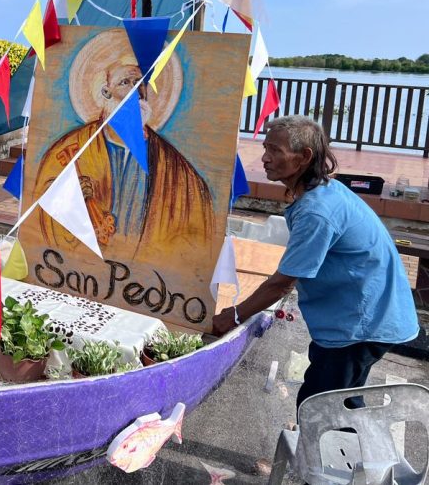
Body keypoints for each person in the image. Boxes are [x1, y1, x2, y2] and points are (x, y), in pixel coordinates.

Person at [212, 115, 419, 410]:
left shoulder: (316, 211)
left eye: (275, 151)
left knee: (321, 408)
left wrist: (233, 316)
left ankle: (334, 455)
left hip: (361, 325)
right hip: (365, 316)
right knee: (339, 401)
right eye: (265, 148)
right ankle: (343, 452)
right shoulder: (323, 191)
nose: (265, 159)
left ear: (304, 157)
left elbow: (282, 284)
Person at [34, 29, 213, 255]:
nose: (135, 91)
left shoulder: (174, 166)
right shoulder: (71, 150)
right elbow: (43, 204)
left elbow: (195, 228)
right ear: (106, 93)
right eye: (125, 82)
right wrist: (74, 201)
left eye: (140, 82)